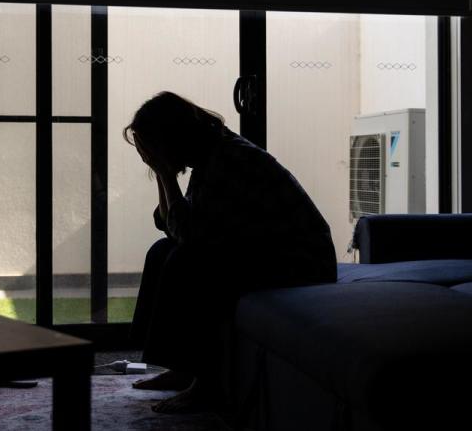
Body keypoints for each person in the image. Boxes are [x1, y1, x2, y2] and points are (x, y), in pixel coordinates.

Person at [126, 91, 337, 413]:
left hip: (300, 264)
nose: (150, 156)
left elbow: (190, 235)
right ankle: (182, 367)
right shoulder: (211, 154)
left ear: (171, 138)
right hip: (263, 252)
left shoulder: (230, 160)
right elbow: (170, 225)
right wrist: (162, 175)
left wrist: (166, 175)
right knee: (162, 251)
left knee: (188, 260)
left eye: (153, 148)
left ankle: (207, 384)